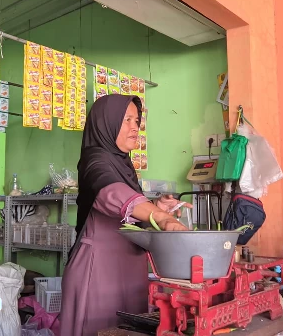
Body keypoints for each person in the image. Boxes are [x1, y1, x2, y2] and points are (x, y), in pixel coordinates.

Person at [60, 94, 190, 336]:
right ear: (105, 123)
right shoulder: (95, 159)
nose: (135, 126)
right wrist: (161, 218)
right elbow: (111, 194)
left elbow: (131, 208)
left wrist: (155, 206)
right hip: (99, 272)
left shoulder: (122, 163)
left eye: (137, 119)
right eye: (126, 119)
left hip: (127, 270)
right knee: (101, 329)